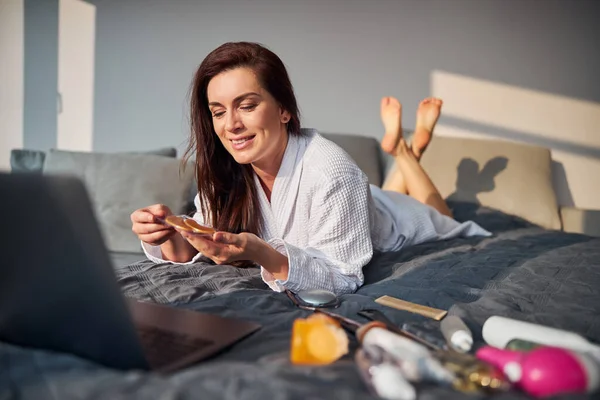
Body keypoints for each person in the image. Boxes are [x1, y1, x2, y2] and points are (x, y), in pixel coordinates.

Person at [130, 42, 490, 296]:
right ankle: (406, 148)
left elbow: (342, 277)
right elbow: (196, 245)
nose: (231, 125)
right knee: (386, 192)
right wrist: (163, 236)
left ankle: (407, 150)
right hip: (366, 201)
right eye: (219, 111)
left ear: (284, 109)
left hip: (398, 222)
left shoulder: (333, 171)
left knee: (443, 216)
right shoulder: (227, 171)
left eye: (247, 105)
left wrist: (260, 252)